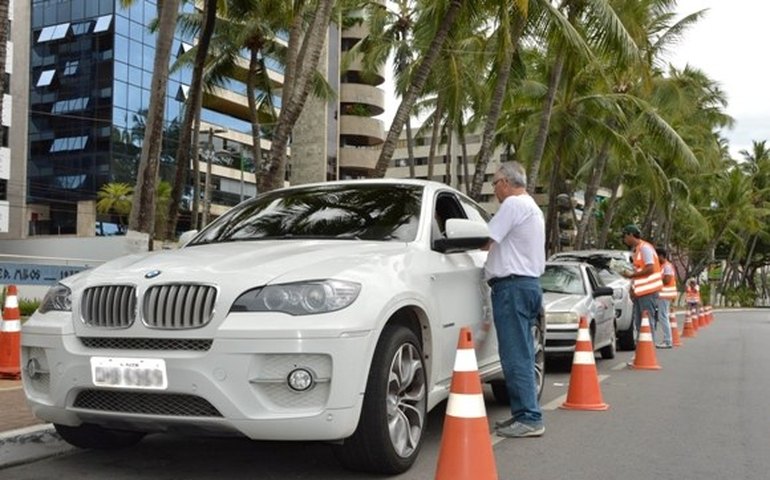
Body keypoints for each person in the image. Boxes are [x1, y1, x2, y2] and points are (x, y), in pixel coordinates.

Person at [483, 161, 546, 438]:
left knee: (515, 355)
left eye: (495, 183)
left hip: (512, 288)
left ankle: (530, 418)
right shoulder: (531, 206)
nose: (495, 189)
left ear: (506, 183)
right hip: (527, 286)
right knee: (523, 353)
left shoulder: (512, 205)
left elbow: (486, 239)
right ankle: (524, 413)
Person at [621, 225, 663, 342]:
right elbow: (638, 270)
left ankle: (648, 354)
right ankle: (642, 354)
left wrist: (631, 276)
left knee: (646, 323)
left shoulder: (645, 248)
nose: (624, 240)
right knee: (640, 324)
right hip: (641, 292)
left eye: (624, 236)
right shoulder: (637, 249)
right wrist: (632, 288)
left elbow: (650, 269)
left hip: (648, 291)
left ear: (630, 234)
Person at [655, 248, 676, 348]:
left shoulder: (667, 266)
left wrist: (655, 282)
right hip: (662, 295)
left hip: (665, 295)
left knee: (663, 317)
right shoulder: (662, 266)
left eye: (657, 256)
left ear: (662, 256)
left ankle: (668, 340)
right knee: (662, 316)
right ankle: (667, 340)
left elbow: (667, 280)